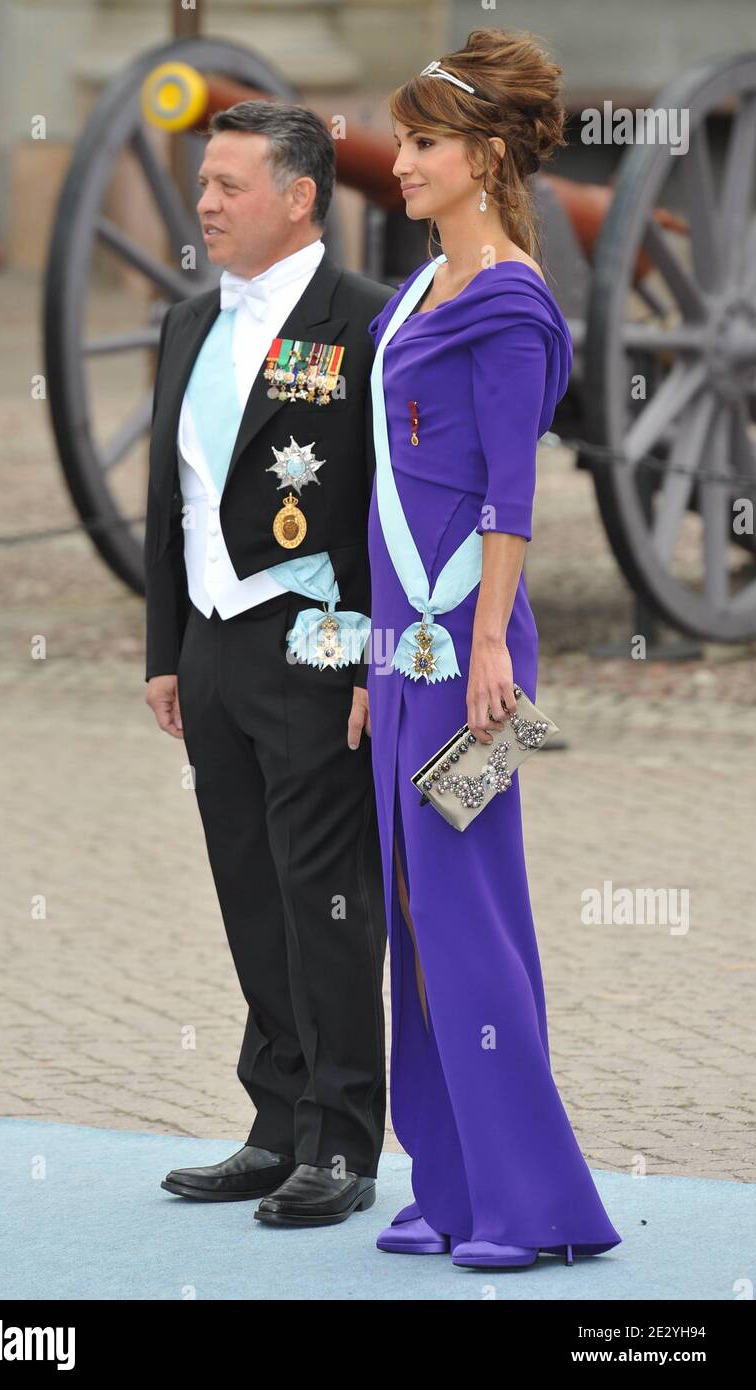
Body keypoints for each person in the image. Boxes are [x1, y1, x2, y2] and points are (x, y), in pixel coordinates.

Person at [365, 29, 622, 1269]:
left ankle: (537, 1207)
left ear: (480, 156)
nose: (399, 162)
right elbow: (391, 483)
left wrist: (485, 652)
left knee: (468, 918)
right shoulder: (422, 290)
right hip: (396, 655)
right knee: (414, 917)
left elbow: (508, 493)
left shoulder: (512, 297)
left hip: (476, 657)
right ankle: (455, 1185)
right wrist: (371, 657)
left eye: (419, 143)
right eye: (404, 140)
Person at [144, 102, 393, 1226]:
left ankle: (340, 1140)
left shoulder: (366, 325)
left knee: (325, 895)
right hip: (210, 649)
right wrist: (166, 654)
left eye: (229, 184)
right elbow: (171, 503)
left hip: (315, 642)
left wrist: (367, 668)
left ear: (300, 198)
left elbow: (386, 517)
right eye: (204, 183)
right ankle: (273, 1118)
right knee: (249, 885)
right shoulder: (187, 325)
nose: (206, 203)